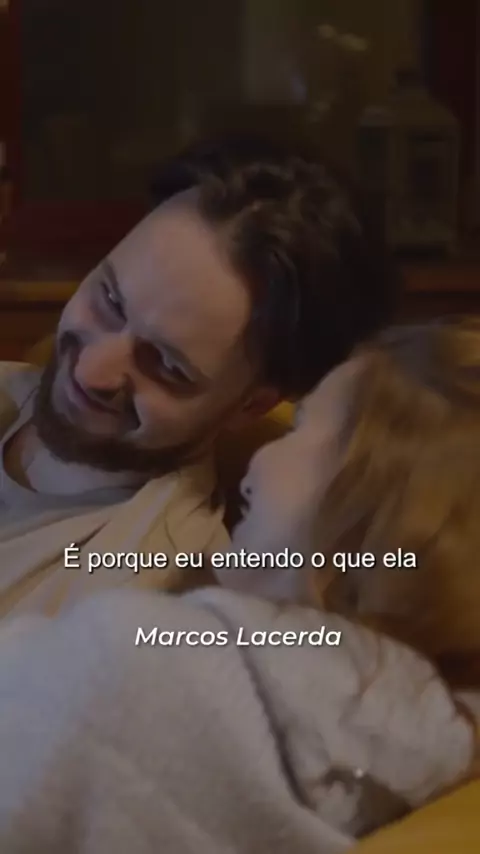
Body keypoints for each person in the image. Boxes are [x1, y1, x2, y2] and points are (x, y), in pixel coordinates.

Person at [0, 316, 479, 854]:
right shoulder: (434, 743)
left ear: (374, 504)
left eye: (300, 428)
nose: (261, 454)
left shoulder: (132, 661)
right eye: (111, 299)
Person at [0, 133, 394, 618]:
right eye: (110, 300)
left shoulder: (145, 602)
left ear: (251, 405)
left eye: (166, 365)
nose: (91, 369)